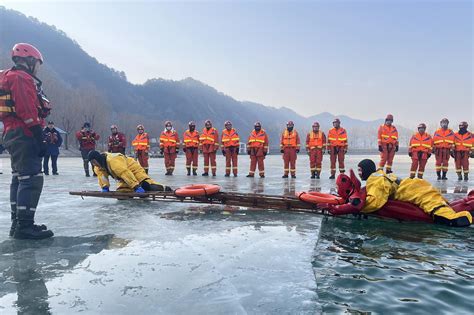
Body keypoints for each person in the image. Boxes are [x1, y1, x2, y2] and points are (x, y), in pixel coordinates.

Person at [0, 43, 54, 239]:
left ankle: (18, 223)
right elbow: (27, 111)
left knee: (19, 178)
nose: (37, 68)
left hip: (12, 132)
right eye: (37, 64)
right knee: (32, 179)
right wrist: (39, 137)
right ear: (30, 61)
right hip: (24, 133)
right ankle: (24, 226)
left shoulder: (7, 77)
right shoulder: (21, 78)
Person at [326, 159, 472, 227]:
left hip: (414, 190)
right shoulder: (378, 176)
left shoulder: (375, 180)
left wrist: (344, 209)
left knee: (436, 209)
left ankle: (459, 219)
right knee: (443, 204)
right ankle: (465, 204)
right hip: (414, 186)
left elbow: (375, 201)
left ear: (367, 170)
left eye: (360, 170)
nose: (359, 173)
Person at [88, 151, 171, 193]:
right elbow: (102, 176)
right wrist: (105, 187)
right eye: (92, 163)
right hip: (123, 178)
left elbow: (124, 173)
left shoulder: (113, 160)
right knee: (122, 194)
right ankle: (135, 187)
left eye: (94, 162)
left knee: (147, 186)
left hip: (134, 171)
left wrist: (136, 186)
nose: (94, 164)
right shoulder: (98, 166)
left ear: (98, 158)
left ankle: (164, 188)